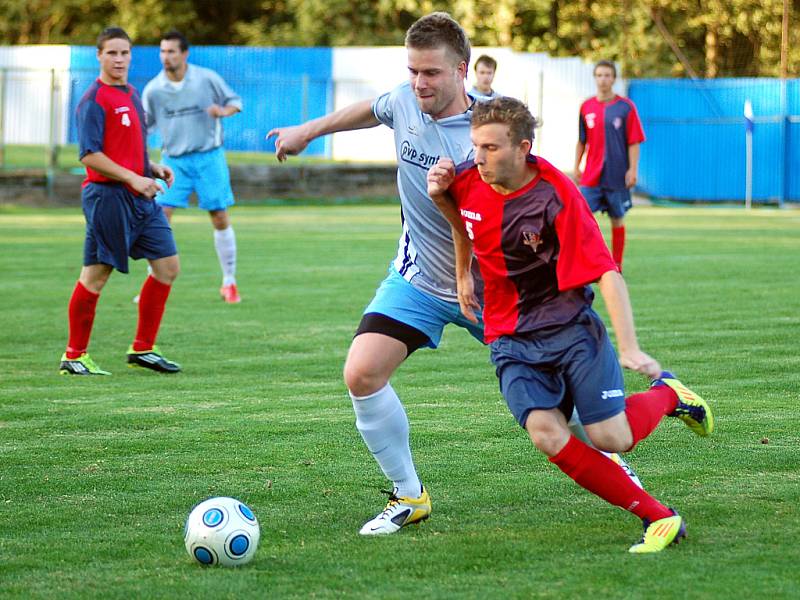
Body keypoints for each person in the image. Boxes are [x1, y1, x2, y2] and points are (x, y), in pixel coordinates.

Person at [267, 12, 641, 537]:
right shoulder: (404, 99)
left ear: (461, 71)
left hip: (498, 290)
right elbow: (370, 109)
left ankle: (616, 458)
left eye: (431, 74)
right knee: (362, 372)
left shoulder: (489, 137)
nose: (419, 83)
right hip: (418, 278)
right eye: (414, 71)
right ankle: (409, 494)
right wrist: (308, 131)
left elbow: (498, 219)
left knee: (561, 407)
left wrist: (477, 274)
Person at [427, 96, 713, 553]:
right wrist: (459, 258)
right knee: (545, 432)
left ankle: (668, 394)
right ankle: (658, 517)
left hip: (571, 331)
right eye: (476, 146)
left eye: (492, 148)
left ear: (523, 148)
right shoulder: (466, 177)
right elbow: (466, 220)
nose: (479, 158)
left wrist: (631, 348)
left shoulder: (557, 196)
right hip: (509, 337)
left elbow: (608, 272)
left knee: (612, 438)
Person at [59, 27, 181, 376]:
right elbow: (90, 155)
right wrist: (132, 178)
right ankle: (74, 355)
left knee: (168, 267)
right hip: (108, 199)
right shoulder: (93, 100)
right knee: (96, 276)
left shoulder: (131, 93)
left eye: (124, 53)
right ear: (99, 55)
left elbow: (129, 149)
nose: (118, 59)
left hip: (141, 197)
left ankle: (143, 348)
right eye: (111, 53)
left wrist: (151, 168)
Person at [142, 30, 243, 304]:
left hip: (209, 157)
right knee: (159, 218)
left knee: (219, 216)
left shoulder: (206, 78)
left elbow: (235, 102)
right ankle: (153, 283)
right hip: (174, 160)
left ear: (184, 54)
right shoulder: (154, 90)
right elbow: (143, 127)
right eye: (162, 51)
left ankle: (229, 282)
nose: (166, 57)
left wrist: (222, 112)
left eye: (171, 51)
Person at [574, 60, 645, 271]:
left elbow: (634, 141)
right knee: (580, 217)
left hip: (617, 174)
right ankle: (584, 262)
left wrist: (633, 169)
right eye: (599, 75)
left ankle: (617, 265)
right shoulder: (586, 107)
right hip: (591, 175)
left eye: (607, 75)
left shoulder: (626, 107)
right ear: (595, 78)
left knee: (617, 219)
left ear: (614, 79)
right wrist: (577, 166)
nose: (603, 79)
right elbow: (581, 140)